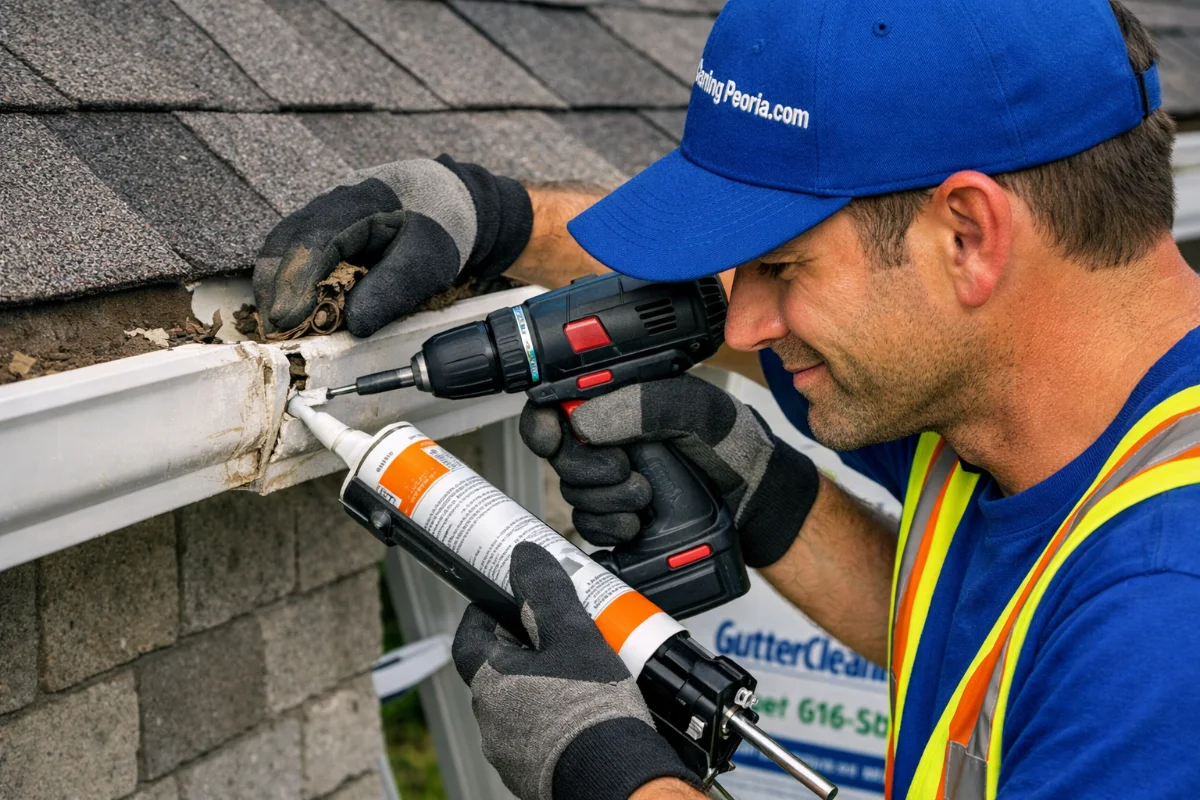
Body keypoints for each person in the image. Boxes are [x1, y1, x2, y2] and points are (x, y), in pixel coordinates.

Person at [254, 0, 1200, 796]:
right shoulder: (1025, 392)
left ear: (968, 236)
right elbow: (995, 643)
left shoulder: (1161, 630)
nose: (740, 327)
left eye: (782, 266)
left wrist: (614, 768)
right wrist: (499, 219)